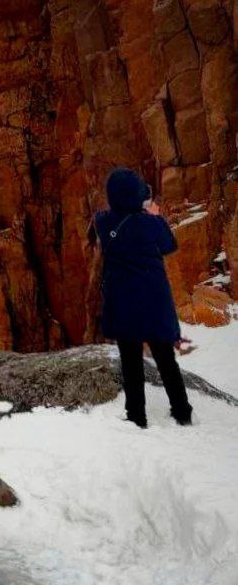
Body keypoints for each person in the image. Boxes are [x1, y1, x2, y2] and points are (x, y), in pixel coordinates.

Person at [94, 167, 192, 427]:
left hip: (123, 304)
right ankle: (182, 411)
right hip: (154, 303)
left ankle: (136, 416)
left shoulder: (104, 223)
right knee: (165, 360)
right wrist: (154, 214)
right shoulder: (152, 224)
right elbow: (169, 245)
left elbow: (105, 216)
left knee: (130, 363)